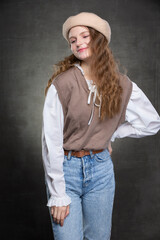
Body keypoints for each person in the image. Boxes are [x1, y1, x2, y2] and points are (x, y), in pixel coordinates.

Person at [42, 12, 160, 240]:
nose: (78, 43)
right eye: (73, 40)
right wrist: (58, 194)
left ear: (99, 39)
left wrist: (112, 134)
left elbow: (152, 123)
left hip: (101, 170)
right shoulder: (63, 83)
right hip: (66, 171)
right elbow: (50, 141)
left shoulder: (122, 85)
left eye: (84, 36)